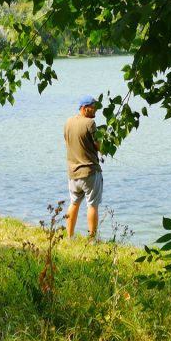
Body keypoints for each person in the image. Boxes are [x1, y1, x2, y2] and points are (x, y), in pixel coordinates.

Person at [64, 95, 103, 239]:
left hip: (73, 172)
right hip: (90, 172)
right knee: (92, 205)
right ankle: (92, 239)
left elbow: (67, 141)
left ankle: (70, 236)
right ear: (85, 108)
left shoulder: (68, 122)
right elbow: (98, 146)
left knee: (74, 203)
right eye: (93, 108)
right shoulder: (90, 123)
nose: (95, 111)